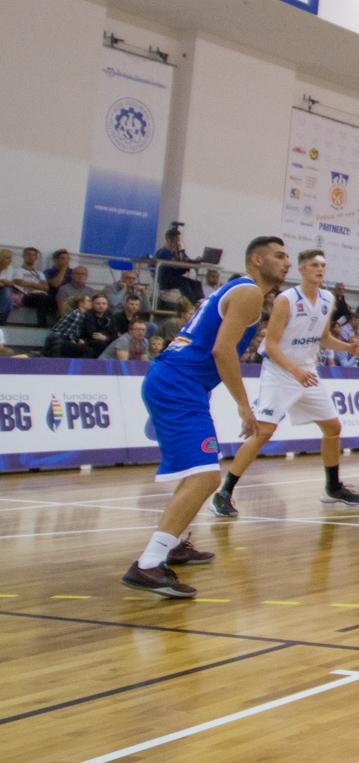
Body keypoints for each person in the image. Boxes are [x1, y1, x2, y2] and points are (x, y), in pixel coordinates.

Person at [120, 235, 291, 598]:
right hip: (178, 384)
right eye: (279, 256)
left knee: (199, 472)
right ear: (256, 261)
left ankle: (174, 542)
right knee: (205, 477)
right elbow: (222, 350)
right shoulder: (248, 293)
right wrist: (245, 406)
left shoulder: (241, 293)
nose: (286, 263)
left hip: (178, 383)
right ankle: (149, 564)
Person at [212, 249, 359, 517]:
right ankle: (224, 492)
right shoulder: (286, 300)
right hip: (281, 371)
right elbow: (270, 346)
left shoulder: (328, 299)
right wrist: (294, 371)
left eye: (323, 265)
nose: (320, 269)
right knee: (264, 432)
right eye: (314, 265)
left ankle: (332, 487)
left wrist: (347, 347)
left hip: (306, 371)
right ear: (302, 270)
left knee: (333, 427)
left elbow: (323, 338)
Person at [14, 248, 56, 325]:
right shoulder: (17, 271)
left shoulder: (40, 273)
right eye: (28, 254)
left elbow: (45, 287)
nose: (31, 257)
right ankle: (42, 324)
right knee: (42, 298)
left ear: (36, 258)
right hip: (26, 296)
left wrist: (30, 284)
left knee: (53, 297)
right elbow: (19, 283)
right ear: (23, 256)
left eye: (33, 255)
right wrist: (38, 285)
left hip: (40, 295)